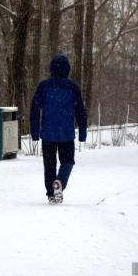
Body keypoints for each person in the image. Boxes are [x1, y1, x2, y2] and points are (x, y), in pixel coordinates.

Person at [30, 55, 87, 205]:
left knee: (49, 165)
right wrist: (82, 132)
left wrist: (35, 131)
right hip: (66, 134)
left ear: (51, 68)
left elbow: (34, 109)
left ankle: (51, 194)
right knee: (68, 162)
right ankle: (60, 182)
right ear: (68, 69)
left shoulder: (43, 86)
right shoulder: (72, 87)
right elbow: (80, 111)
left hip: (48, 133)